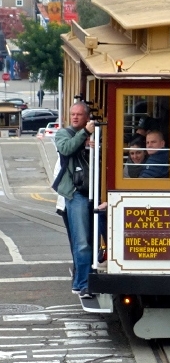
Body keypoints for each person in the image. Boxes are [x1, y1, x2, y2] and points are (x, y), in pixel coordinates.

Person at [53, 102, 95, 297]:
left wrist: (95, 145)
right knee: (82, 242)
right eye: (73, 114)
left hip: (95, 192)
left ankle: (82, 281)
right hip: (76, 193)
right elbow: (67, 149)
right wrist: (85, 134)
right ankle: (83, 283)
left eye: (79, 114)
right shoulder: (63, 133)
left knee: (93, 239)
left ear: (87, 117)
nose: (75, 117)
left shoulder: (93, 135)